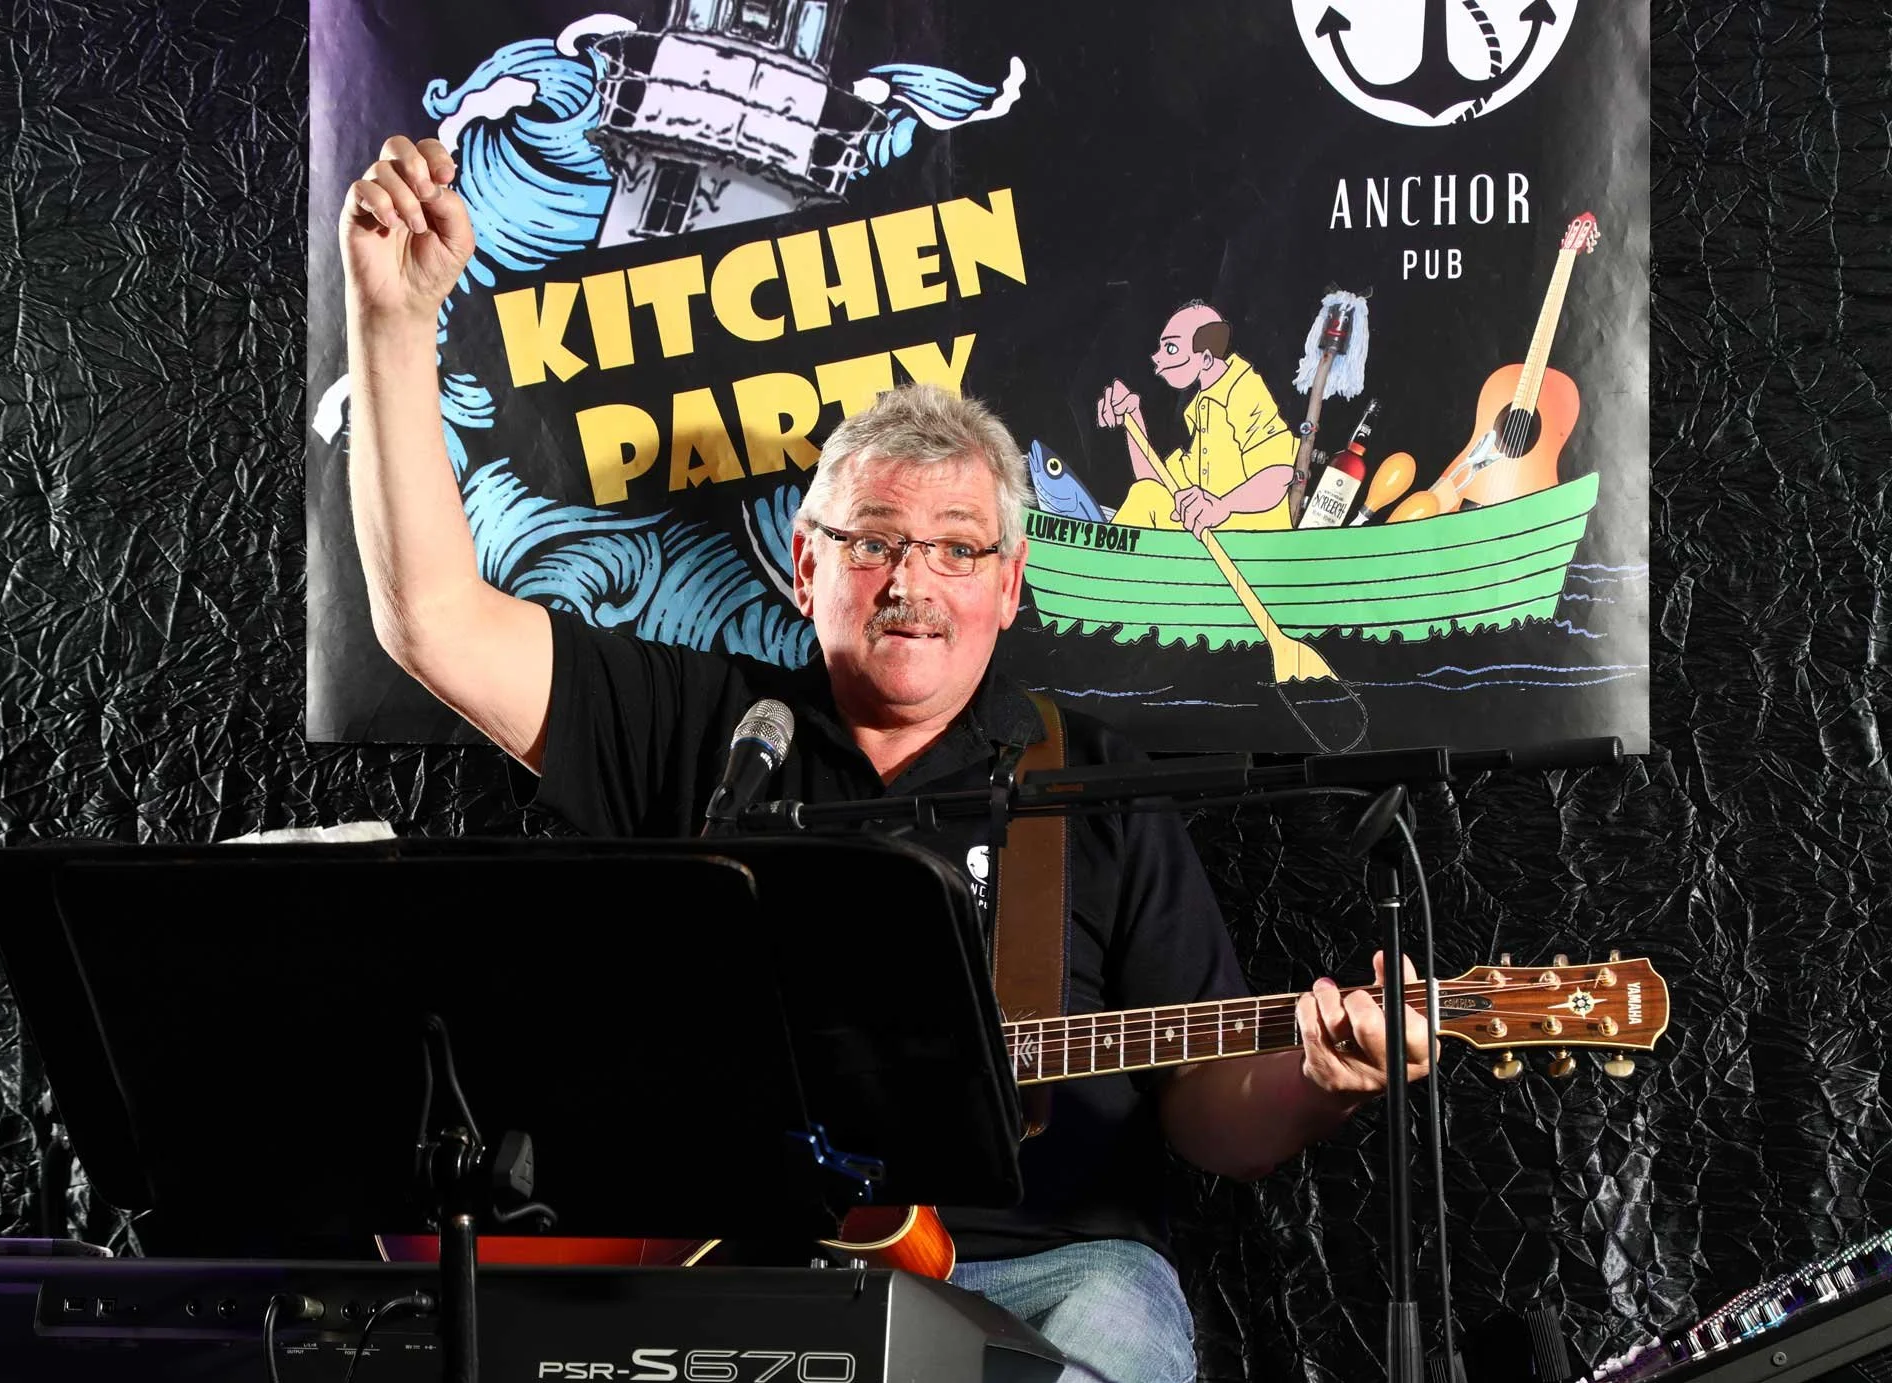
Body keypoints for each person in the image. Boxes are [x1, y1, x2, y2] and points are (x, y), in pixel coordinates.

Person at [342, 135, 1431, 1383]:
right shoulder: (701, 728)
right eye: (872, 541)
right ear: (805, 568)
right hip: (725, 1265)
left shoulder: (1095, 786)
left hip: (1048, 1269)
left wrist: (1320, 1079)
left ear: (1009, 586)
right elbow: (432, 617)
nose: (911, 579)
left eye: (957, 546)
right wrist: (392, 321)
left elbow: (1209, 1119)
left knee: (1119, 1336)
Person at [1097, 302, 1297, 537]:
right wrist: (1133, 418)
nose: (1156, 357)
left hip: (1251, 546)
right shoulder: (1203, 408)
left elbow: (1279, 473)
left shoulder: (1243, 390)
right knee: (1146, 494)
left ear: (1206, 360)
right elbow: (1158, 485)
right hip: (1208, 543)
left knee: (1145, 497)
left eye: (1171, 348)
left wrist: (1222, 506)